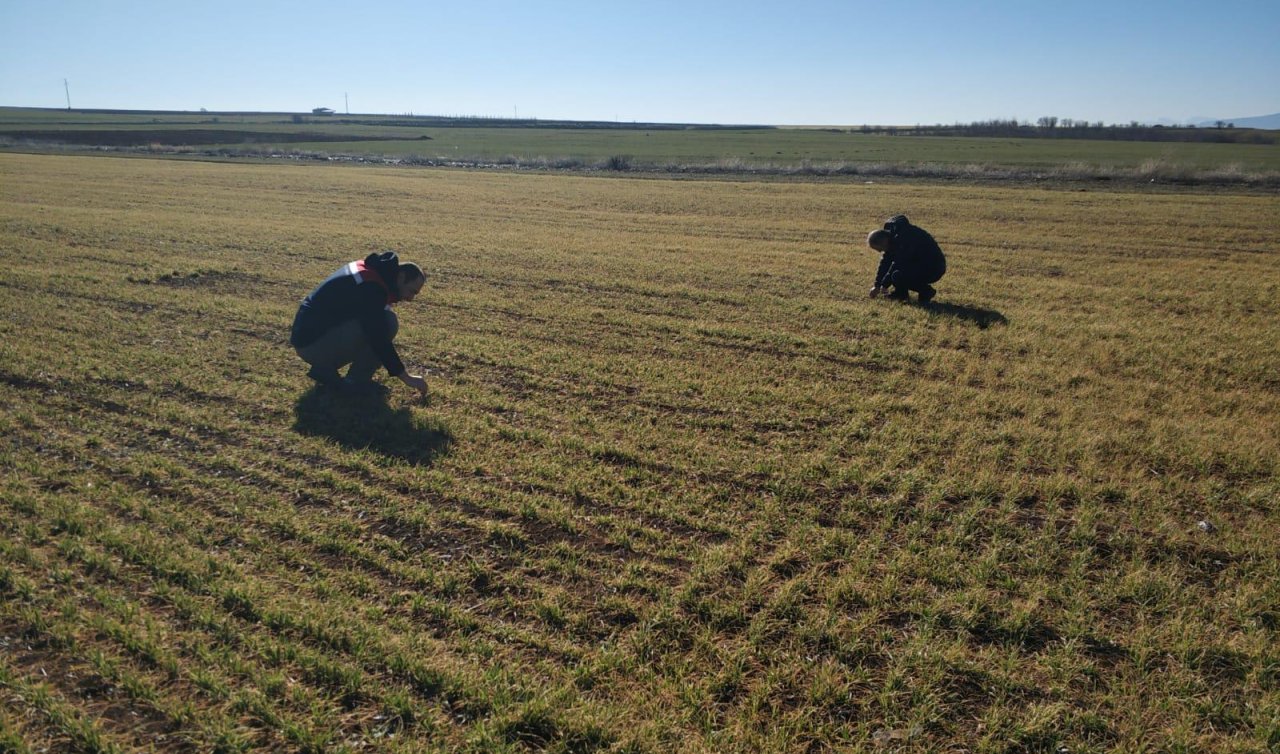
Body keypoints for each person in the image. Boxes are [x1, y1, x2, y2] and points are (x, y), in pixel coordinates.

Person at [290, 251, 430, 397]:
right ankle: (354, 382)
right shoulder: (372, 287)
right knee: (388, 323)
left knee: (382, 321)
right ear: (401, 277)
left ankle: (327, 370)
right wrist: (406, 378)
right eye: (411, 291)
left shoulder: (372, 270)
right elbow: (378, 337)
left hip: (309, 337)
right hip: (311, 345)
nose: (411, 298)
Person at [866, 214, 946, 304]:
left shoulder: (905, 238)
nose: (880, 251)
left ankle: (926, 291)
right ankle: (901, 295)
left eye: (880, 248)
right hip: (918, 265)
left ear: (884, 241)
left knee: (898, 274)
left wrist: (884, 285)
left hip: (934, 268)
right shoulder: (893, 238)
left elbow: (900, 263)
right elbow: (886, 261)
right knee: (898, 273)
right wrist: (877, 285)